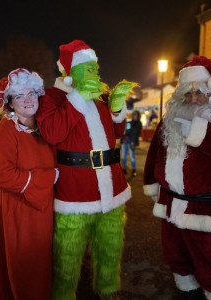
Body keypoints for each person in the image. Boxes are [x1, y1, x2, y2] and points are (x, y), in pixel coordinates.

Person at [36, 40, 137, 300]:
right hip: (74, 193)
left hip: (112, 188)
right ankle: (63, 295)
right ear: (69, 72)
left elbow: (117, 132)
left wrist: (116, 109)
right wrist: (79, 98)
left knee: (110, 248)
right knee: (67, 256)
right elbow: (52, 133)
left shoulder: (102, 96)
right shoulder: (51, 97)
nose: (95, 74)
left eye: (95, 68)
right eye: (88, 69)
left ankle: (108, 290)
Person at [143, 56, 211, 299]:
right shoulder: (170, 116)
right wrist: (151, 184)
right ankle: (188, 294)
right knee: (177, 259)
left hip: (207, 207)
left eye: (199, 94)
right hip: (170, 203)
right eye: (187, 94)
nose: (192, 100)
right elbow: (154, 153)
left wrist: (197, 132)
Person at [0, 68, 59, 300]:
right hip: (13, 209)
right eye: (20, 96)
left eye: (31, 93)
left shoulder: (43, 130)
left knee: (38, 261)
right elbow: (1, 174)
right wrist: (51, 176)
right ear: (9, 102)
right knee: (19, 264)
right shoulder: (4, 132)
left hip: (38, 209)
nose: (28, 100)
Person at [121, 110, 142, 176]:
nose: (133, 116)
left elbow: (135, 132)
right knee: (123, 157)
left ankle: (134, 170)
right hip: (125, 141)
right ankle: (124, 169)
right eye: (133, 114)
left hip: (132, 142)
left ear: (138, 116)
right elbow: (127, 131)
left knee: (132, 157)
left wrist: (129, 130)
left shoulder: (139, 123)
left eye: (135, 114)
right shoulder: (129, 122)